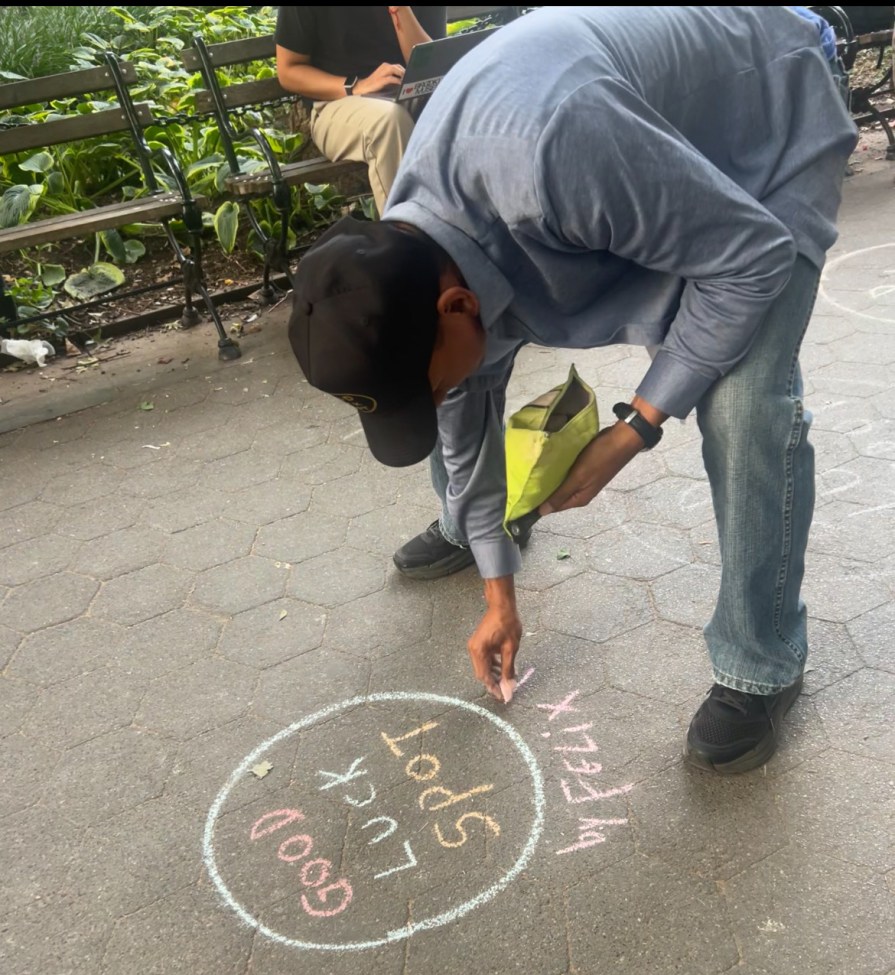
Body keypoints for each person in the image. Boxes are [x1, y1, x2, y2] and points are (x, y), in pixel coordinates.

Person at [287, 6, 858, 774]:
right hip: (645, 163)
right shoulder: (415, 247)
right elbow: (464, 415)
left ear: (455, 306)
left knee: (743, 400)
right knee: (474, 397)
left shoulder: (548, 157)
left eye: (430, 387)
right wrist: (499, 594)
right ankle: (474, 529)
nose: (443, 400)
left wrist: (631, 431)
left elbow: (747, 256)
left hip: (760, 117)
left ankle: (760, 663)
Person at [275, 5, 446, 216]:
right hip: (336, 103)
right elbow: (289, 70)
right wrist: (355, 86)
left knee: (460, 109)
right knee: (389, 122)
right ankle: (410, 240)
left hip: (411, 95)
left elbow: (431, 65)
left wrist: (400, 9)